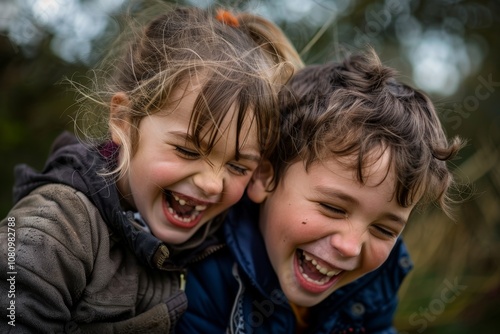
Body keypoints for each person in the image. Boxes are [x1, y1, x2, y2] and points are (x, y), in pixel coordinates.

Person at [0, 4, 303, 333]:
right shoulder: (52, 231)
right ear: (123, 120)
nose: (213, 184)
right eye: (187, 150)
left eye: (237, 165)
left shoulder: (221, 241)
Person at [176, 50, 464, 333]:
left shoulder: (376, 282)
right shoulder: (207, 275)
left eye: (384, 230)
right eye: (334, 208)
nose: (350, 246)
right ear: (265, 176)